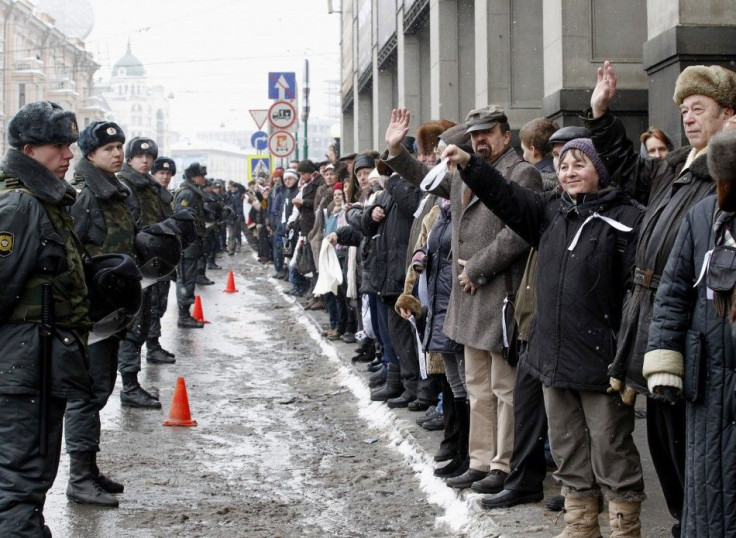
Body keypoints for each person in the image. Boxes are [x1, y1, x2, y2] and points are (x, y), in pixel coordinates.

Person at [444, 136, 645, 536]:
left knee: (611, 447)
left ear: (599, 171)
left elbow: (633, 295)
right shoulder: (550, 210)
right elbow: (505, 196)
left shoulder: (628, 217)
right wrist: (470, 164)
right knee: (567, 445)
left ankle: (625, 528)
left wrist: (626, 355)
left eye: (579, 165)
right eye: (564, 165)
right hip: (552, 356)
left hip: (602, 360)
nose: (569, 172)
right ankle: (580, 524)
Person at [587, 61, 736, 538]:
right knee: (665, 444)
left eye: (700, 109)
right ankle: (685, 522)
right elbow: (628, 168)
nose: (688, 118)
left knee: (693, 449)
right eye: (684, 110)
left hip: (696, 331)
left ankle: (687, 524)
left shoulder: (720, 180)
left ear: (728, 116)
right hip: (653, 321)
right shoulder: (676, 167)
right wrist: (602, 114)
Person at [382, 106, 542, 494]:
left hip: (500, 294)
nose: (480, 140)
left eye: (488, 133)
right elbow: (425, 179)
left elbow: (519, 233)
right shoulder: (463, 172)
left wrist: (478, 267)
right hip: (469, 298)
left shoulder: (523, 173)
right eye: (475, 134)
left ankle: (503, 465)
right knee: (477, 387)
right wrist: (395, 151)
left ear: (506, 135)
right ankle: (481, 461)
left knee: (504, 389)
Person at [0, 101, 93, 536]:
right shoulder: (20, 204)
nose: (70, 155)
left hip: (36, 359)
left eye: (71, 145)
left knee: (30, 476)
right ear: (30, 148)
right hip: (23, 365)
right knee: (21, 478)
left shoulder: (44, 199)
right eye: (59, 146)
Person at [645, 129, 736, 538]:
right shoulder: (703, 216)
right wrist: (664, 360)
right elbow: (674, 289)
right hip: (710, 382)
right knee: (708, 488)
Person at [65, 120, 157, 509]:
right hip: (93, 313)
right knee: (88, 393)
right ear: (90, 155)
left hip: (114, 307)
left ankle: (90, 468)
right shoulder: (86, 195)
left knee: (100, 388)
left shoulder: (116, 192)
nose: (118, 153)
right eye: (109, 149)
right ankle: (79, 477)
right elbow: (75, 255)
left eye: (120, 146)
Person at [117, 138, 177, 373]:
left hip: (153, 262)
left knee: (150, 314)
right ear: (130, 158)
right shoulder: (124, 185)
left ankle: (148, 353)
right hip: (136, 264)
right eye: (140, 156)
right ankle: (130, 383)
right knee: (133, 325)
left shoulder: (149, 188)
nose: (145, 160)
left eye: (149, 157)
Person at [148, 156, 177, 361]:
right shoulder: (148, 195)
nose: (165, 177)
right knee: (152, 305)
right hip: (152, 260)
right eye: (161, 173)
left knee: (160, 304)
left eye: (168, 174)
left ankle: (153, 344)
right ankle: (152, 346)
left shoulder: (166, 196)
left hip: (164, 259)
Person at [174, 162, 209, 328]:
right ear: (194, 177)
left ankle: (185, 313)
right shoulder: (188, 194)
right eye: (202, 175)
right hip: (187, 244)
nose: (204, 178)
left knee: (188, 278)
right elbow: (182, 218)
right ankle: (184, 315)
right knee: (186, 279)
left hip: (192, 242)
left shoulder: (194, 193)